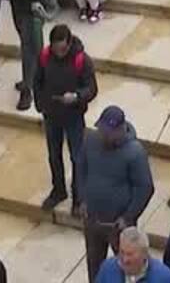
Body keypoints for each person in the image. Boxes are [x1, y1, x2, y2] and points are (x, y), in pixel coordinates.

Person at [82, 107, 158, 281]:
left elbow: (145, 188)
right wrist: (83, 197)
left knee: (128, 268)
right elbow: (82, 167)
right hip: (92, 220)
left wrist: (128, 216)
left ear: (120, 129)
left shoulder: (135, 152)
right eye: (101, 130)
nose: (103, 135)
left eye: (107, 133)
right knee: (94, 267)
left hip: (118, 226)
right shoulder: (91, 140)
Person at [36, 23, 99, 213]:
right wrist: (41, 105)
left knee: (77, 157)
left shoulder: (82, 60)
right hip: (52, 114)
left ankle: (78, 198)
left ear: (69, 43)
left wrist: (78, 96)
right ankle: (59, 190)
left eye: (62, 49)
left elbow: (92, 88)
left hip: (73, 115)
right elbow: (37, 80)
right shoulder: (45, 56)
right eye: (56, 49)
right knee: (54, 155)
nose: (59, 53)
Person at [9, 0, 57, 113]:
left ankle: (28, 89)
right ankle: (33, 78)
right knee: (28, 45)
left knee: (29, 50)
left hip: (34, 10)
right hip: (18, 8)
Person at [93, 226, 170, 283]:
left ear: (145, 254)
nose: (125, 259)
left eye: (130, 254)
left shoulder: (165, 279)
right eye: (122, 252)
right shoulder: (108, 268)